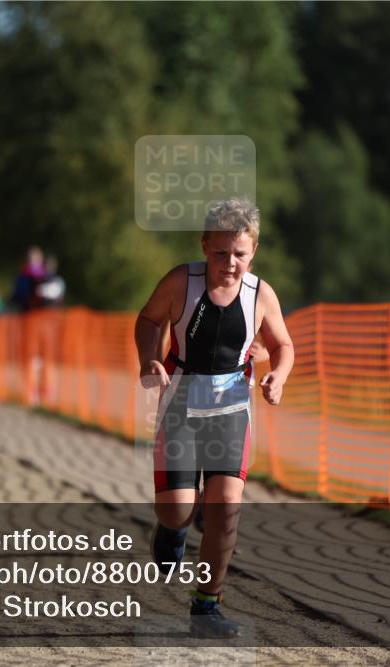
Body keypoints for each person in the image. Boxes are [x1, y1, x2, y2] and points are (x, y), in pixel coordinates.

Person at [134, 198, 294, 639]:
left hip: (231, 410)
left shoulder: (260, 294)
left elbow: (283, 345)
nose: (230, 263)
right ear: (205, 246)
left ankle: (207, 605)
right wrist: (151, 359)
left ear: (253, 251)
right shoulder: (181, 282)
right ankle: (172, 531)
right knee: (178, 509)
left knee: (226, 511)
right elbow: (148, 321)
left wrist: (277, 376)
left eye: (240, 254)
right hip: (181, 404)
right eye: (221, 253)